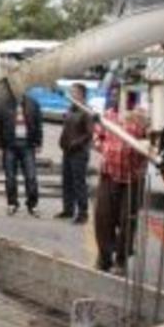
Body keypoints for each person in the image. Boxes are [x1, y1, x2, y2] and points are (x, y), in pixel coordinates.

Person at [94, 86, 148, 274]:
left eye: (122, 94)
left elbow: (151, 143)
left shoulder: (141, 117)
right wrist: (105, 148)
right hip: (108, 174)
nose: (117, 97)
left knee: (127, 221)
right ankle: (104, 257)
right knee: (103, 218)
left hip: (132, 178)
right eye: (114, 94)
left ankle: (121, 261)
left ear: (132, 97)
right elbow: (98, 136)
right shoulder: (108, 115)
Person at [0, 93, 43, 216]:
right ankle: (12, 203)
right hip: (10, 146)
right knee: (10, 177)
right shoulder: (3, 104)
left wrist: (38, 143)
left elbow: (38, 124)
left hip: (28, 145)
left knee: (31, 177)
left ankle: (32, 205)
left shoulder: (33, 103)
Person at [57, 83, 95, 224]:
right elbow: (66, 129)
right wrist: (62, 142)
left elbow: (89, 134)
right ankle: (68, 209)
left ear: (81, 94)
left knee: (79, 183)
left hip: (79, 153)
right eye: (70, 91)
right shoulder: (71, 109)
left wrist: (76, 143)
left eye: (73, 92)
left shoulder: (86, 111)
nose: (71, 94)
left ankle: (83, 213)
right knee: (67, 181)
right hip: (67, 150)